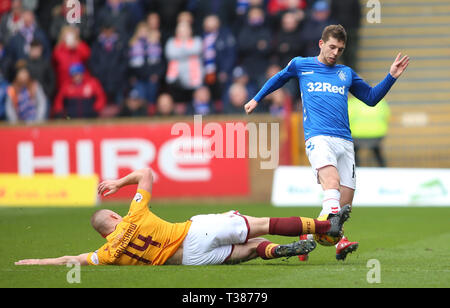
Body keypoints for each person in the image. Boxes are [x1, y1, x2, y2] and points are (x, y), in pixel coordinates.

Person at [244, 24, 409, 261]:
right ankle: (339, 241)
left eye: (340, 49)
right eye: (331, 47)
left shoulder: (346, 73)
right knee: (331, 183)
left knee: (344, 205)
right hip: (318, 137)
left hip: (344, 141)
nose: (335, 52)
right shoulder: (301, 65)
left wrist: (391, 76)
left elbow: (371, 98)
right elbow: (278, 79)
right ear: (321, 44)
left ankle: (307, 236)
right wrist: (256, 99)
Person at [14, 168, 351, 266]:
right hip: (193, 232)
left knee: (250, 249)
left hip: (191, 260)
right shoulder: (133, 215)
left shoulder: (106, 255)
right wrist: (118, 182)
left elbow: (71, 259)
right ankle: (326, 226)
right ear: (115, 216)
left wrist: (37, 262)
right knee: (261, 224)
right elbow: (146, 173)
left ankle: (281, 251)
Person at [348, 96, 390, 167]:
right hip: (377, 134)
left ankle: (355, 168)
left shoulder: (352, 102)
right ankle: (383, 168)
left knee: (353, 152)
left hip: (357, 135)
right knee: (376, 150)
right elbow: (386, 116)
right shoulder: (380, 102)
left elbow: (346, 118)